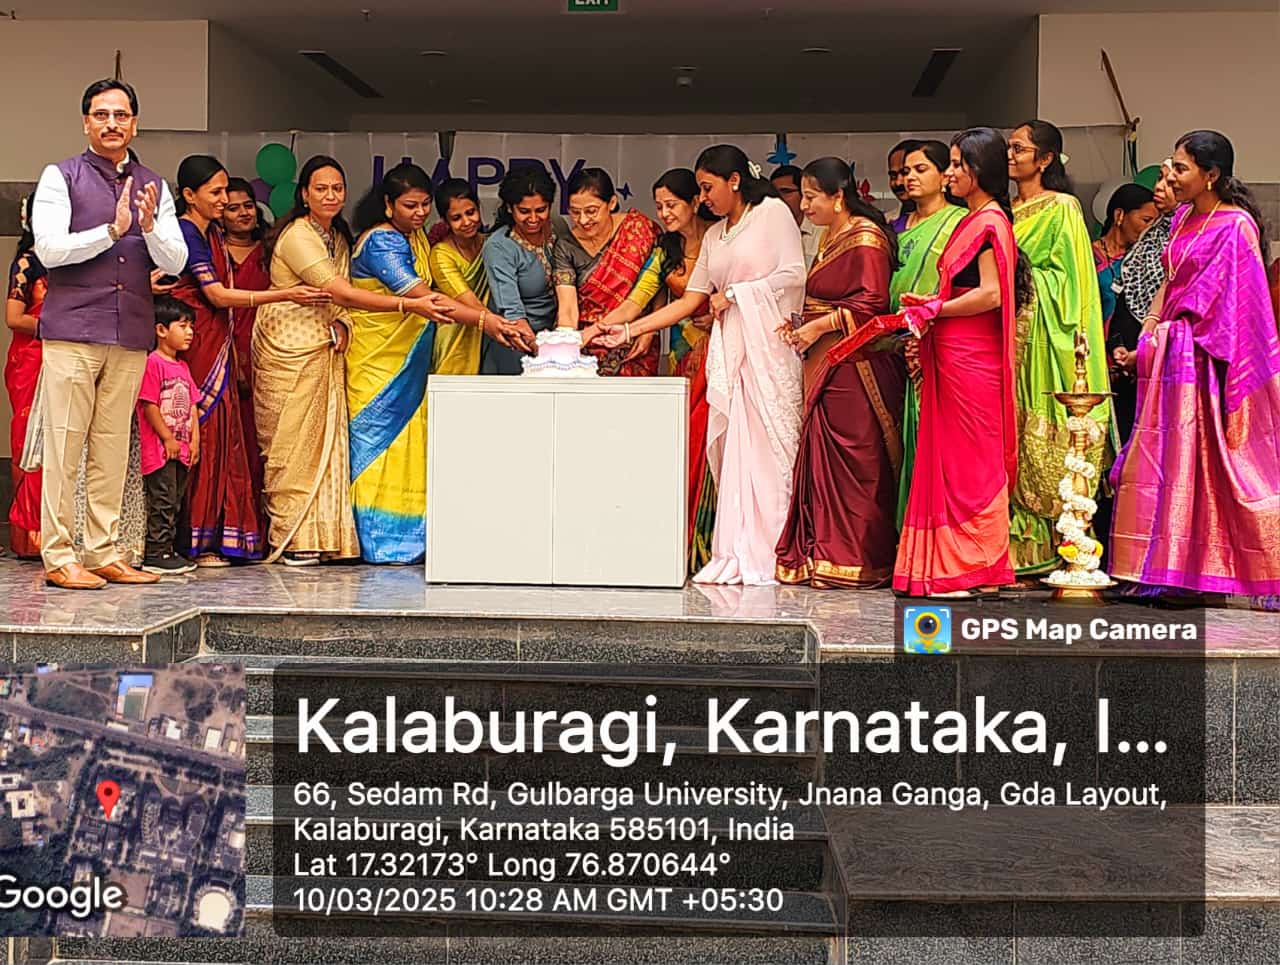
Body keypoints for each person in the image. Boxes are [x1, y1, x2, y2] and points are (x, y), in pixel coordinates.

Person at [599, 145, 804, 585]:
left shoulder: (771, 213)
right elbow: (691, 300)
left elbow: (794, 274)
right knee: (736, 450)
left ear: (735, 181)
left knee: (770, 449)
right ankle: (738, 550)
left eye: (708, 188)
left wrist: (735, 294)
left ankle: (778, 549)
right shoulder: (714, 237)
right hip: (731, 349)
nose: (704, 198)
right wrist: (629, 330)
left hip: (768, 349)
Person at [252, 155, 451, 565]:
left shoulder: (338, 237)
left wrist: (343, 321)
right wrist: (406, 307)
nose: (330, 195)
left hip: (327, 346)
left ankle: (325, 538)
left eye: (337, 188)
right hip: (289, 348)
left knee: (326, 447)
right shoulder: (298, 235)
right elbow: (339, 291)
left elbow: (341, 301)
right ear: (303, 194)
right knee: (291, 447)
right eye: (321, 188)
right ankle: (291, 537)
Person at [1110, 130, 1280, 607]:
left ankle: (1200, 579)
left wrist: (1185, 336)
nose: (1172, 177)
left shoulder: (1237, 226)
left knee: (1205, 470)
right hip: (1172, 359)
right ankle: (1162, 571)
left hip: (1209, 363)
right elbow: (1169, 282)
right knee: (1164, 466)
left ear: (1211, 175)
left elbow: (1242, 306)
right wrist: (1150, 335)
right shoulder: (1182, 218)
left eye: (1182, 169)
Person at [31, 79, 187, 589]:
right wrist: (112, 231)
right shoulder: (60, 176)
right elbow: (49, 250)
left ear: (135, 124)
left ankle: (103, 551)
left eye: (121, 115)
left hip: (129, 332)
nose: (112, 123)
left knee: (112, 448)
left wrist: (150, 226)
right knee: (65, 445)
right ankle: (59, 555)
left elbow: (176, 261)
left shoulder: (153, 185)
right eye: (101, 114)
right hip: (74, 331)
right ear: (85, 123)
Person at [346, 163, 511, 564]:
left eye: (424, 205)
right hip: (379, 362)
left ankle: (410, 539)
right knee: (380, 447)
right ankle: (376, 541)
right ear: (388, 205)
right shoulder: (382, 243)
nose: (420, 212)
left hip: (411, 359)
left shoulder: (414, 237)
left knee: (410, 447)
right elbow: (425, 298)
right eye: (410, 205)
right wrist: (487, 322)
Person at [891, 128, 1030, 598]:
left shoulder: (991, 221)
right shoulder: (971, 220)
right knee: (949, 459)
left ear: (979, 170)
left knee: (970, 462)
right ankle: (966, 567)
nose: (950, 173)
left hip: (972, 358)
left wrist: (937, 308)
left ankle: (971, 565)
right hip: (952, 353)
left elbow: (991, 294)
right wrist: (931, 303)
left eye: (956, 164)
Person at [172, 155, 325, 566]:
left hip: (217, 342)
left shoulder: (211, 233)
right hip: (196, 345)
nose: (225, 200)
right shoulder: (187, 233)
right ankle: (196, 541)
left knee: (225, 437)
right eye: (217, 192)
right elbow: (216, 295)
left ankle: (222, 536)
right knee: (203, 436)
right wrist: (285, 294)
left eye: (227, 191)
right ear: (189, 195)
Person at [774, 157, 904, 588]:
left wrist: (817, 327)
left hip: (856, 369)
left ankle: (858, 560)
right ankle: (826, 556)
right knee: (826, 468)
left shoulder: (865, 237)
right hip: (827, 366)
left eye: (811, 197)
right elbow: (829, 300)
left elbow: (871, 304)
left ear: (838, 196)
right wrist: (801, 323)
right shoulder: (831, 235)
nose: (804, 206)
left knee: (857, 465)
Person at [596, 169, 716, 571]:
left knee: (716, 442)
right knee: (688, 441)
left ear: (695, 202)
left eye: (671, 205)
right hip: (684, 357)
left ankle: (715, 541)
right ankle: (686, 542)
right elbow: (636, 300)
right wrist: (589, 333)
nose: (664, 214)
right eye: (659, 206)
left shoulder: (721, 239)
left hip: (723, 355)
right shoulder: (666, 248)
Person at [1007, 119, 1110, 577]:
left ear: (1045, 159)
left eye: (1019, 148)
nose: (1011, 156)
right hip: (1005, 339)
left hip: (1043, 339)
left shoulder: (1063, 208)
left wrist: (1020, 277)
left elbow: (1071, 284)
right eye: (1009, 148)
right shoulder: (1005, 209)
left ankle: (1051, 551)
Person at [890, 140, 967, 531]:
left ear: (943, 175)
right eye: (906, 171)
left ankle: (936, 531)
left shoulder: (960, 222)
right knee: (899, 442)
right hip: (891, 345)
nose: (910, 178)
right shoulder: (894, 228)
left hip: (936, 345)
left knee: (932, 439)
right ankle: (907, 534)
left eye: (921, 169)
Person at [554, 167, 661, 376]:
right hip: (587, 345)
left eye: (591, 211)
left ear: (611, 203)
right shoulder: (566, 246)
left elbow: (658, 286)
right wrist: (568, 343)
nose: (583, 220)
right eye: (575, 212)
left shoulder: (640, 229)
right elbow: (567, 308)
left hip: (635, 338)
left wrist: (650, 330)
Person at [137, 296, 200, 575]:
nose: (190, 332)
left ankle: (168, 549)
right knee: (162, 499)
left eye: (191, 327)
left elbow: (193, 405)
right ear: (161, 330)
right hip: (160, 449)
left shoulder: (183, 367)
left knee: (175, 500)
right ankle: (156, 552)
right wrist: (167, 438)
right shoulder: (153, 363)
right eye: (182, 326)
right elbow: (149, 404)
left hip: (182, 449)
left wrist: (194, 440)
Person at [220, 176, 271, 498]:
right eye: (233, 208)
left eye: (248, 206)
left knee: (258, 435)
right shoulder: (211, 253)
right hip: (220, 352)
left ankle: (256, 515)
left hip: (264, 354)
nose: (243, 213)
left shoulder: (272, 251)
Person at [480, 166, 555, 374]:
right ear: (509, 208)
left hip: (556, 337)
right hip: (517, 341)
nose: (534, 218)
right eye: (524, 211)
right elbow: (512, 312)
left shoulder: (556, 227)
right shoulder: (499, 247)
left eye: (541, 210)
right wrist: (542, 352)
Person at [5, 196, 45, 558]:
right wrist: (57, 327)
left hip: (66, 357)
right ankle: (30, 537)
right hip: (31, 360)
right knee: (30, 441)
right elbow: (14, 318)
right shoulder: (27, 263)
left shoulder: (74, 261)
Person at [427, 178, 488, 375]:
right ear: (445, 221)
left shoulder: (490, 245)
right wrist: (504, 327)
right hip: (454, 337)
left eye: (471, 212)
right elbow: (470, 303)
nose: (467, 222)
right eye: (456, 218)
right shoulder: (441, 254)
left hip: (487, 335)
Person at [1092, 183, 1158, 327]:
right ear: (1119, 215)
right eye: (1146, 220)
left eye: (1155, 224)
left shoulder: (1145, 260)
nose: (1150, 229)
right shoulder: (1088, 256)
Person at [771, 164, 822, 269]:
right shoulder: (766, 231)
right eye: (774, 193)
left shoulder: (822, 231)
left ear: (803, 195)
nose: (779, 198)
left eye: (786, 192)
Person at [886, 139, 921, 233]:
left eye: (905, 173)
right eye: (893, 176)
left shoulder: (950, 220)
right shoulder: (886, 222)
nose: (898, 183)